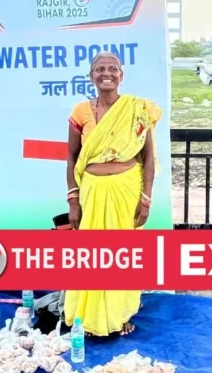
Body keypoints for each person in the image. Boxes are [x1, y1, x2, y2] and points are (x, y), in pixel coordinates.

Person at [64, 52, 162, 336]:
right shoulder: (81, 111)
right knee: (91, 253)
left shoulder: (139, 110)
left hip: (126, 189)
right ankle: (86, 317)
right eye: (99, 69)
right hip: (92, 190)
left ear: (122, 75)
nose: (106, 73)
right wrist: (73, 199)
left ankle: (119, 315)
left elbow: (148, 157)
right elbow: (71, 158)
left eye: (112, 69)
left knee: (122, 253)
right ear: (91, 76)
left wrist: (146, 199)